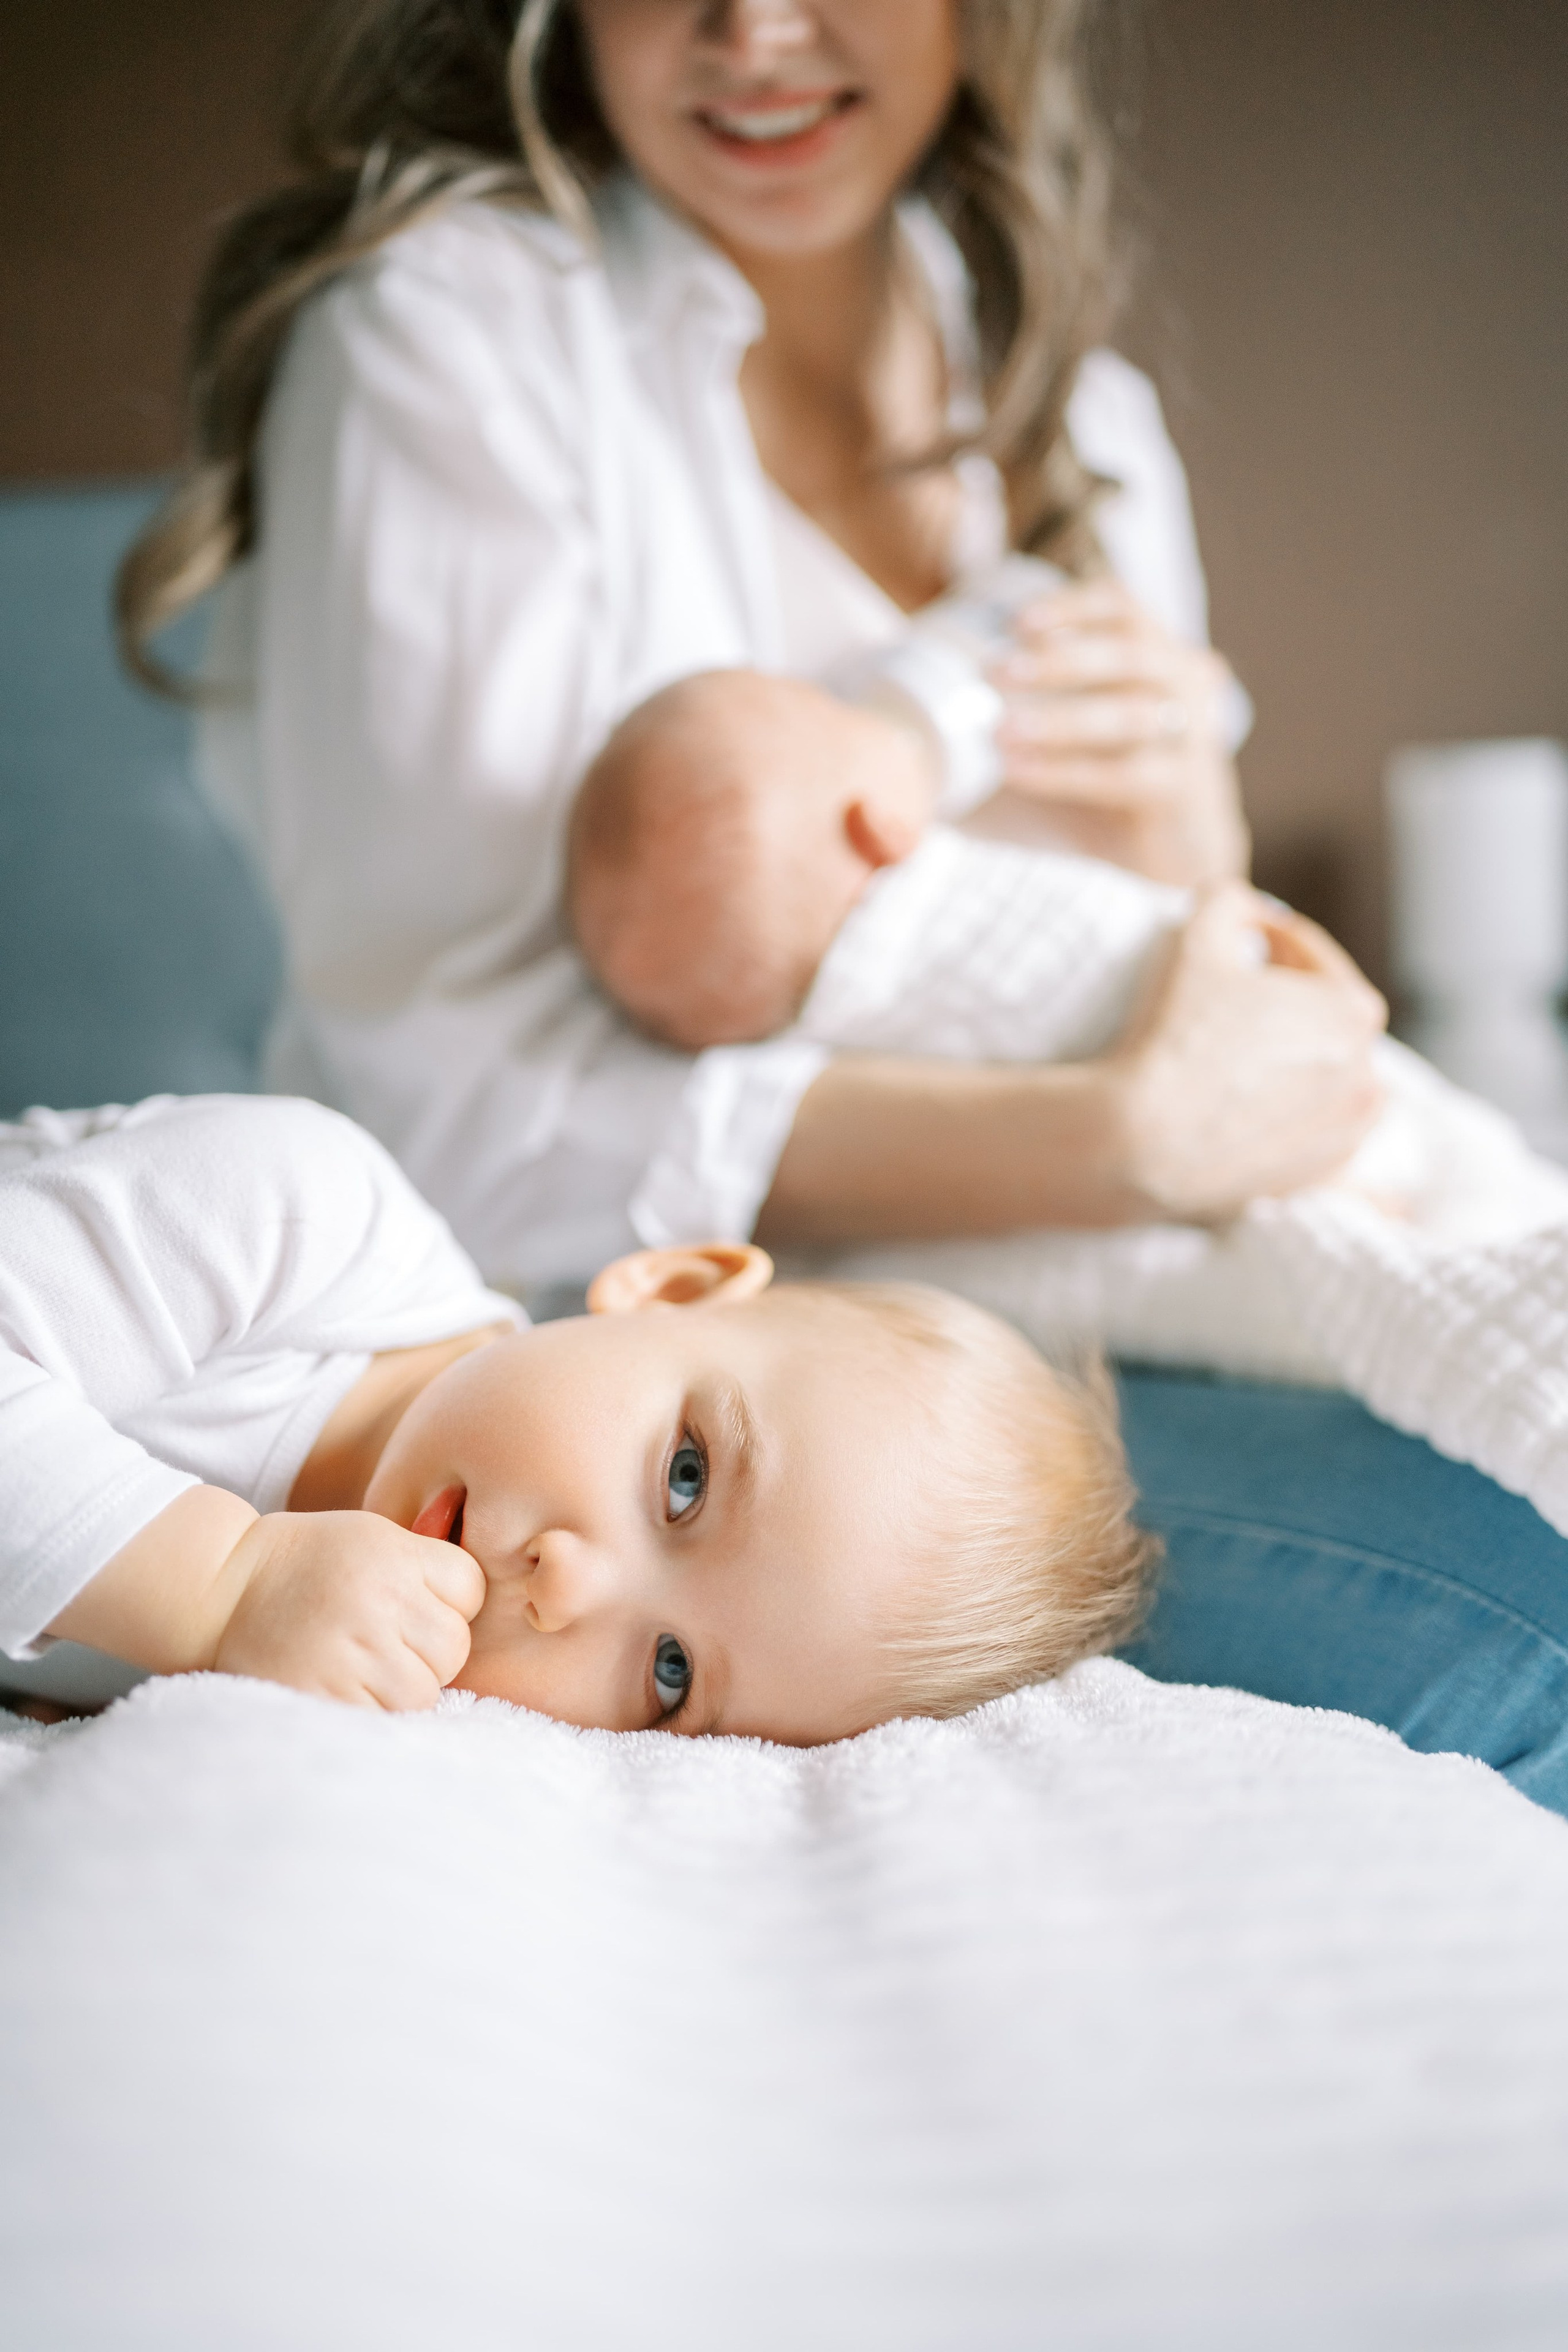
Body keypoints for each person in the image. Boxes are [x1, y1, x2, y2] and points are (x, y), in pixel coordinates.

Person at [117, 0, 1384, 1298]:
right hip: (607, 1356)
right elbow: (455, 1118)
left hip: (1109, 1293)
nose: (754, 31)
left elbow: (1220, 1022)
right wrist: (1106, 1144)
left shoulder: (1085, 425)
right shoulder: (449, 336)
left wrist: (1186, 841)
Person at [0, 1095, 1152, 1740]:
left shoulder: (355, 1684)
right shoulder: (302, 1210)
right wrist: (222, 1588)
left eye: (666, 1676)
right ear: (670, 1288)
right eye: (686, 1480)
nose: (568, 1589)